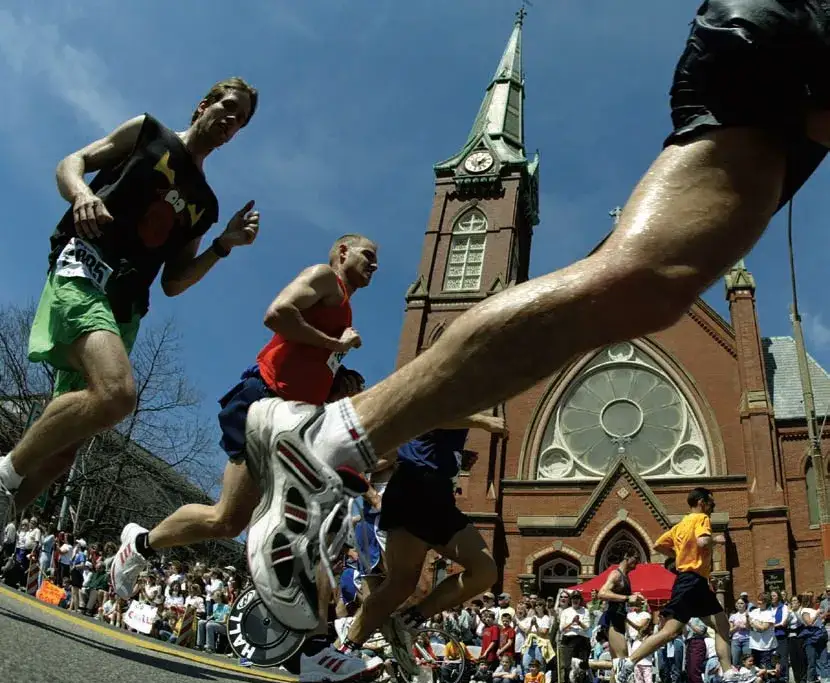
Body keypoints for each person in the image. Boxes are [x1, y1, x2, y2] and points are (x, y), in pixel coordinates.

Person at [243, 0, 830, 624]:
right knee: (641, 282)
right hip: (786, 28)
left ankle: (341, 454)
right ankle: (332, 439)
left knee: (653, 285)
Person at [0, 78, 260, 525]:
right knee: (117, 393)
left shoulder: (206, 204)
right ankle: (4, 474)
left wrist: (223, 245)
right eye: (228, 107)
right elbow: (72, 161)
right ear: (203, 106)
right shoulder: (147, 132)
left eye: (240, 120)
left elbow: (174, 281)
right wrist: (82, 194)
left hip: (126, 308)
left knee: (63, 452)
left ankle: (5, 516)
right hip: (84, 265)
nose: (230, 120)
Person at [111, 234, 377, 592]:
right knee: (227, 517)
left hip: (289, 419)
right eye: (368, 255)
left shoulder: (344, 308)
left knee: (232, 522)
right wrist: (336, 344)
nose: (374, 265)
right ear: (343, 252)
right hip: (263, 402)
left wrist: (335, 384)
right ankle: (140, 545)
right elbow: (278, 314)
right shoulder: (324, 278)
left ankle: (280, 608)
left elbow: (302, 362)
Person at [326, 415, 507, 678]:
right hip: (415, 488)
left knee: (485, 571)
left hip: (440, 494)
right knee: (399, 584)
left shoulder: (462, 401)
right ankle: (342, 652)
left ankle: (406, 622)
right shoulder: (450, 393)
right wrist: (484, 422)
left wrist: (456, 457)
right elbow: (437, 413)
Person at [613, 487, 738, 683]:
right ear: (701, 502)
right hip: (691, 582)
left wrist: (679, 554)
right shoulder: (702, 519)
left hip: (696, 582)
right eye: (711, 502)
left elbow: (658, 545)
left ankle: (729, 674)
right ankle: (628, 663)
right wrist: (716, 539)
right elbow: (703, 540)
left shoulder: (680, 526)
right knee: (669, 632)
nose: (713, 506)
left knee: (722, 625)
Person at [596, 550, 646, 660]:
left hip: (620, 619)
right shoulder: (616, 574)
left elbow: (621, 597)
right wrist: (627, 598)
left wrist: (634, 597)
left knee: (617, 663)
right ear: (626, 556)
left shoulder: (625, 576)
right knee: (623, 659)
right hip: (612, 621)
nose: (637, 563)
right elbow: (602, 593)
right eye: (636, 558)